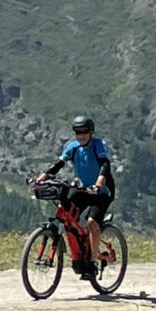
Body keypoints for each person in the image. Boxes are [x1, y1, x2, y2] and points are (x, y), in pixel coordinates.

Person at [39, 116, 116, 281]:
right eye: (77, 132)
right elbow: (59, 164)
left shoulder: (98, 145)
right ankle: (79, 251)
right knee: (67, 214)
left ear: (91, 132)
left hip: (102, 192)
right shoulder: (73, 148)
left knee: (91, 222)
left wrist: (98, 184)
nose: (81, 136)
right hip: (84, 189)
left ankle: (92, 262)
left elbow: (105, 165)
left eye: (84, 132)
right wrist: (42, 177)